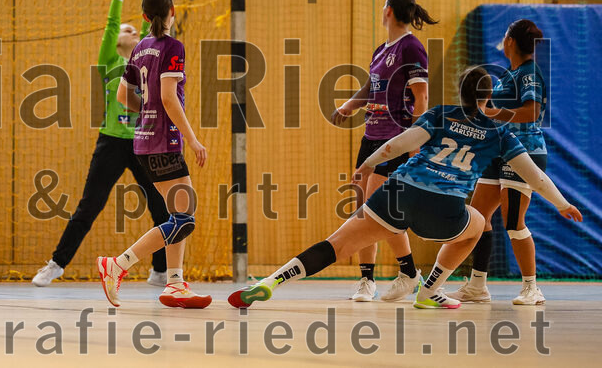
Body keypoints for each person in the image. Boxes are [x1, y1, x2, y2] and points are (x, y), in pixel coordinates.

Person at [230, 67, 581, 310]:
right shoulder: (500, 133)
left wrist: (366, 166)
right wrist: (562, 204)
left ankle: (272, 281)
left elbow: (396, 145)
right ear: (488, 98)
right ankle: (429, 290)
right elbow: (535, 176)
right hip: (443, 210)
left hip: (397, 193)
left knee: (336, 244)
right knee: (477, 224)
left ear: (460, 93)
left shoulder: (441, 114)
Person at [32, 0, 172, 288]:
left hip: (144, 143)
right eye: (125, 30)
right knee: (88, 207)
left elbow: (158, 28)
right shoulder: (108, 62)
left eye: (135, 29)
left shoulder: (149, 61)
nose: (130, 30)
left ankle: (161, 270)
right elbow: (112, 24)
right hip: (111, 141)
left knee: (162, 209)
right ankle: (56, 264)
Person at [96, 0, 211, 309]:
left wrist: (146, 110)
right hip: (165, 140)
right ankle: (118, 264)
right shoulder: (172, 46)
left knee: (179, 213)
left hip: (143, 139)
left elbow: (123, 96)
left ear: (145, 17)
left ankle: (175, 283)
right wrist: (192, 137)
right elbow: (169, 97)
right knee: (184, 217)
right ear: (173, 10)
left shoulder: (140, 48)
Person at [332, 0, 436, 302]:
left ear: (388, 10)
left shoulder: (412, 47)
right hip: (371, 137)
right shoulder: (381, 50)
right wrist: (348, 106)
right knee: (364, 210)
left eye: (383, 5)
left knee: (378, 209)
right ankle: (367, 280)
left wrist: (416, 139)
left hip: (397, 138)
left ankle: (408, 272)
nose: (381, 9)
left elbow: (422, 97)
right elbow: (371, 87)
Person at [451, 19, 550, 305]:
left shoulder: (530, 73)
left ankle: (532, 287)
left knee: (513, 220)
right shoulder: (510, 74)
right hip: (498, 152)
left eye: (505, 36)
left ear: (510, 41)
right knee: (477, 217)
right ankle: (477, 286)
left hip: (523, 152)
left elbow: (531, 111)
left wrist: (492, 114)